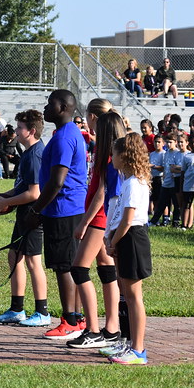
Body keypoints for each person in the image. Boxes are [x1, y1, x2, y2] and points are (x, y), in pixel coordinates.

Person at [24, 89, 88, 339]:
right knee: (71, 265)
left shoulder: (63, 137)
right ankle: (78, 319)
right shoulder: (69, 132)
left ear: (63, 108)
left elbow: (57, 181)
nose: (45, 107)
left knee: (64, 267)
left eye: (50, 103)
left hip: (63, 209)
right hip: (68, 207)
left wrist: (36, 209)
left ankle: (70, 320)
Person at [65, 104, 126, 350]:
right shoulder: (111, 153)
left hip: (99, 218)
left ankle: (92, 329)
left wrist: (84, 221)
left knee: (79, 269)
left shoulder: (109, 157)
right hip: (103, 217)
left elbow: (101, 193)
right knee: (106, 270)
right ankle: (111, 329)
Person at [0, 109, 50, 327]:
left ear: (31, 131)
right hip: (24, 215)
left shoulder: (35, 155)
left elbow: (35, 193)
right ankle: (16, 309)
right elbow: (23, 187)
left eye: (20, 128)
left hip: (34, 216)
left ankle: (42, 312)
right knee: (15, 257)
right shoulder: (28, 153)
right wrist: (5, 196)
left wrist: (7, 203)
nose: (16, 131)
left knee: (33, 261)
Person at [103, 132, 154, 365]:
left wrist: (113, 241)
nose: (111, 157)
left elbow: (127, 219)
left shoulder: (134, 183)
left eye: (114, 153)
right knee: (127, 296)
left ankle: (138, 349)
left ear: (125, 156)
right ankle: (131, 345)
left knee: (134, 297)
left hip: (132, 238)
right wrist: (111, 238)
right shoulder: (128, 181)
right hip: (125, 238)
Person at [150, 132, 182, 227]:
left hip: (174, 182)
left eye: (170, 142)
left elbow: (179, 167)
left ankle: (175, 222)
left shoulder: (177, 153)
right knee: (161, 203)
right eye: (167, 142)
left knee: (176, 204)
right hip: (166, 182)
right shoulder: (167, 153)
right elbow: (165, 167)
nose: (168, 144)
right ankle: (154, 221)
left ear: (175, 142)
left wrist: (174, 170)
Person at [180, 136, 194, 229]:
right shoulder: (187, 156)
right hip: (189, 184)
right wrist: (181, 185)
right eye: (192, 143)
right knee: (187, 205)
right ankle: (184, 224)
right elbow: (183, 172)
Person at [148, 135, 166, 221]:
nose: (157, 144)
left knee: (161, 199)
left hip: (160, 177)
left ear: (163, 143)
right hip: (153, 178)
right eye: (155, 142)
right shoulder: (152, 154)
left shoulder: (164, 154)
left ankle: (165, 217)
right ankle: (156, 218)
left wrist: (153, 166)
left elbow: (163, 167)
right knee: (154, 199)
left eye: (159, 142)